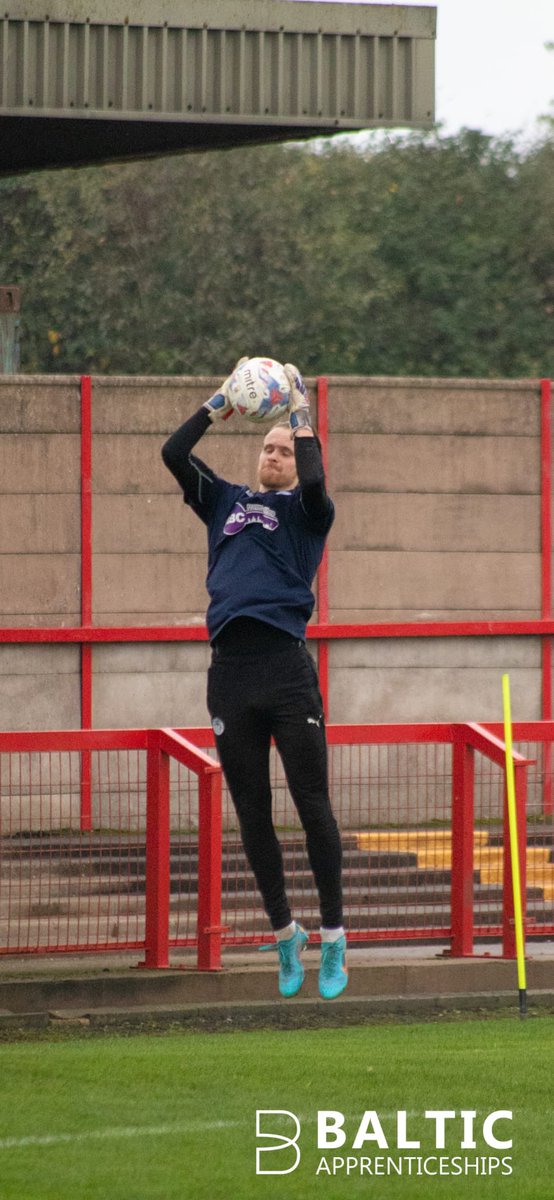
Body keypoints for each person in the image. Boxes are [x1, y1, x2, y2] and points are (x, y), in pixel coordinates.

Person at [161, 360, 347, 1000]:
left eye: (284, 451)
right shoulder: (226, 502)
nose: (275, 456)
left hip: (286, 670)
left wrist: (297, 409)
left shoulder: (308, 512)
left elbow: (317, 473)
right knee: (252, 813)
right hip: (230, 675)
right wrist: (220, 403)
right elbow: (173, 452)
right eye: (267, 449)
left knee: (311, 804)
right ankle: (286, 931)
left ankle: (334, 934)